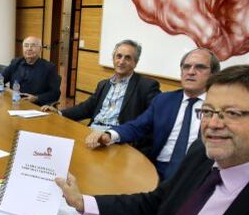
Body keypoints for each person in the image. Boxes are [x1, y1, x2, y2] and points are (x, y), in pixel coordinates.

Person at [57, 65, 249, 215]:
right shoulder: (201, 152)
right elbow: (157, 202)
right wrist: (81, 202)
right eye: (208, 111)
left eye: (231, 113)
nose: (212, 124)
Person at [86, 48, 220, 181]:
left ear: (213, 74)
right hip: (157, 169)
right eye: (186, 67)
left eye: (200, 67)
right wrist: (109, 135)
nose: (191, 72)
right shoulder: (164, 100)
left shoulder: (220, 107)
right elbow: (137, 126)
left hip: (194, 175)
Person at [42, 39, 160, 135]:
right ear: (113, 58)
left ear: (135, 63)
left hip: (116, 138)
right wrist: (59, 113)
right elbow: (87, 108)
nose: (121, 61)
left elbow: (155, 116)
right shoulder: (104, 84)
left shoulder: (146, 86)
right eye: (119, 56)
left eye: (127, 58)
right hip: (92, 131)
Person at [0, 36, 61, 106]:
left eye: (33, 46)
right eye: (26, 46)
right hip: (14, 104)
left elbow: (55, 94)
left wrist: (36, 98)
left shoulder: (49, 67)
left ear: (40, 49)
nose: (29, 49)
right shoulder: (15, 62)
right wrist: (8, 90)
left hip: (36, 106)